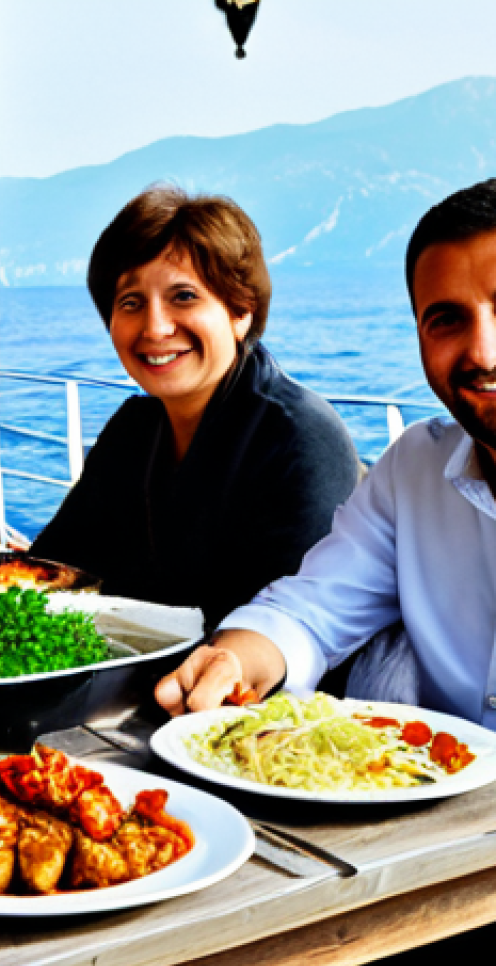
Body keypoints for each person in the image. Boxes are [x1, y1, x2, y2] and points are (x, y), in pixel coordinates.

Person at [153, 177, 496, 725]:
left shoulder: (294, 428)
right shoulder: (415, 467)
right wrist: (232, 659)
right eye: (447, 319)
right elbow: (310, 613)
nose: (483, 351)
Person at [30, 185, 360, 631]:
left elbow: (288, 629)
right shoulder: (133, 429)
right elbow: (53, 570)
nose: (156, 326)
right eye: (131, 302)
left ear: (241, 310)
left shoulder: (297, 437)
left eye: (183, 296)